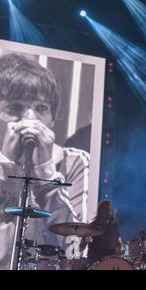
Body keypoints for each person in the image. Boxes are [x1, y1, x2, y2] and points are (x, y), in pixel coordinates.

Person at [0, 53, 90, 270]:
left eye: (41, 108)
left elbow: (75, 250)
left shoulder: (74, 161)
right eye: (15, 108)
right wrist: (6, 169)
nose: (30, 119)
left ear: (52, 118)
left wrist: (47, 176)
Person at [80, 200, 123, 265]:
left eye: (110, 210)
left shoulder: (114, 226)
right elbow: (80, 248)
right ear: (100, 211)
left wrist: (120, 248)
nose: (109, 212)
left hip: (112, 261)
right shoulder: (92, 226)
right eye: (106, 210)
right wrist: (85, 241)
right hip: (95, 262)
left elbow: (118, 242)